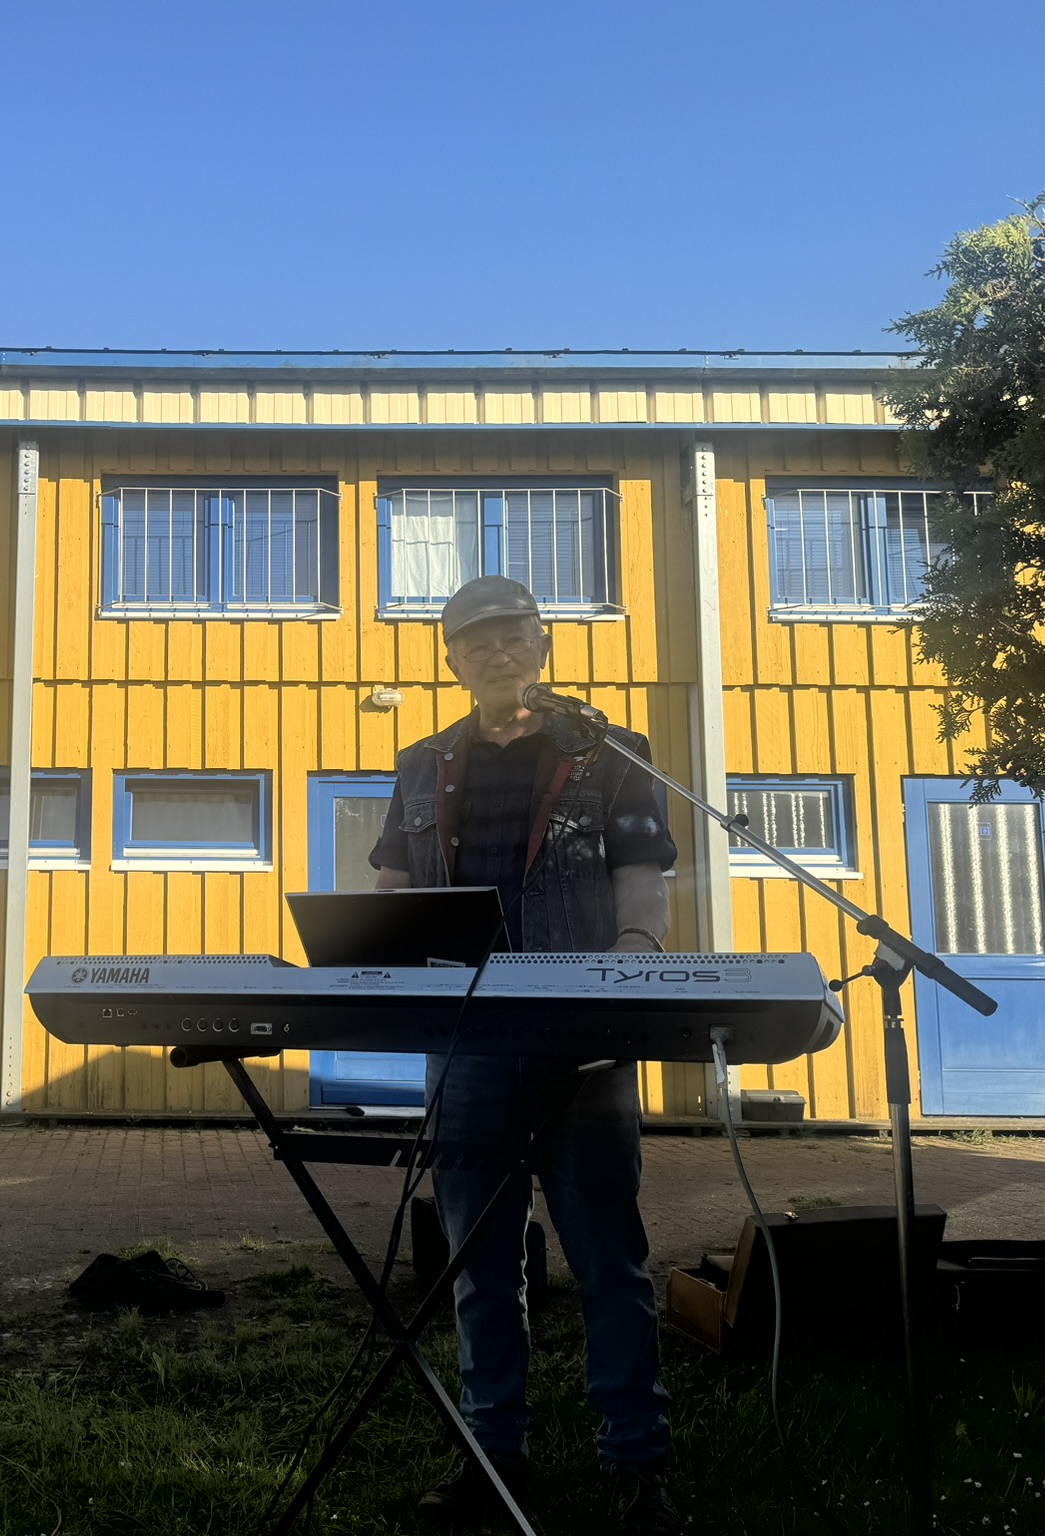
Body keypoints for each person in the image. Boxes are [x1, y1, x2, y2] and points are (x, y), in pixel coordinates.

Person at [369, 574, 683, 1534]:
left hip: (581, 1039)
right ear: (453, 662)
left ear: (541, 647)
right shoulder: (419, 765)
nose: (497, 651)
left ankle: (636, 1464)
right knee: (479, 1268)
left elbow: (642, 881)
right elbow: (391, 885)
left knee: (609, 1263)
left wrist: (630, 970)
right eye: (477, 641)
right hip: (465, 1045)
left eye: (514, 635)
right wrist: (373, 962)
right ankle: (491, 1458)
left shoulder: (610, 752)